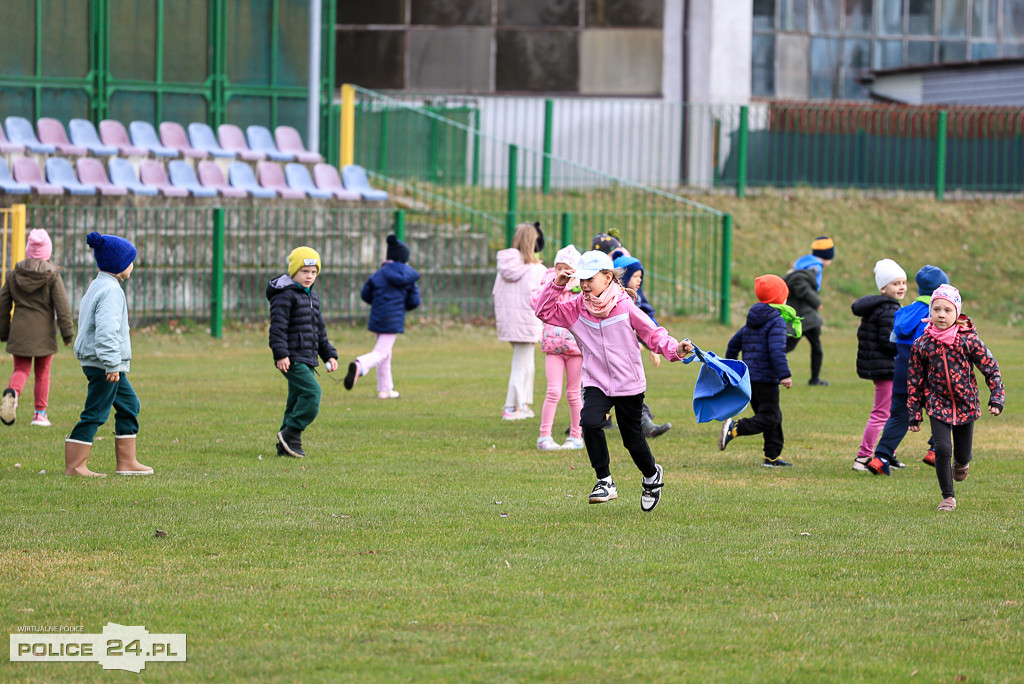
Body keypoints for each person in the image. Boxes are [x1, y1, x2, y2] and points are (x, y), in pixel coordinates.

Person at [534, 250, 694, 512]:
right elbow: (543, 311)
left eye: (590, 279)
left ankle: (652, 475)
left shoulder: (624, 306)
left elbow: (653, 334)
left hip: (628, 383)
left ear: (608, 277)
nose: (584, 285)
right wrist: (556, 285)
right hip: (596, 381)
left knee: (632, 440)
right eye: (581, 279)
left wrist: (676, 349)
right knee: (590, 422)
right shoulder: (575, 308)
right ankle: (604, 481)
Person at [907, 284, 1004, 511]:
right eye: (937, 309)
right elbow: (914, 380)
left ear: (957, 313)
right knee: (942, 448)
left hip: (965, 404)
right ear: (930, 312)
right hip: (936, 403)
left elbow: (991, 368)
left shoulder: (968, 340)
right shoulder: (922, 344)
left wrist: (997, 397)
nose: (941, 314)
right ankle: (948, 497)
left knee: (962, 454)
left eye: (947, 310)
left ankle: (961, 464)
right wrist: (913, 413)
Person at [64, 232, 152, 477]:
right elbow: (106, 331)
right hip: (105, 365)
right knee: (96, 410)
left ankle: (127, 462)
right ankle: (75, 466)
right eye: (130, 260)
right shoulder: (111, 292)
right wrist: (112, 364)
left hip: (107, 364)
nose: (133, 265)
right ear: (119, 264)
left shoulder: (99, 284)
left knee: (129, 404)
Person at [869, 265, 948, 473]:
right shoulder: (939, 315)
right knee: (946, 410)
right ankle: (935, 450)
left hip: (903, 375)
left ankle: (881, 458)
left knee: (898, 417)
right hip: (930, 376)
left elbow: (893, 341)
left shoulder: (903, 312)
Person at [267, 246, 339, 458]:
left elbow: (319, 331)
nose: (309, 276)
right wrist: (281, 354)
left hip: (307, 357)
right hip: (291, 358)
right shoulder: (284, 296)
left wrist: (329, 354)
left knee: (294, 401)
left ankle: (284, 445)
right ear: (294, 271)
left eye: (313, 272)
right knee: (312, 393)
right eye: (305, 271)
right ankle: (292, 433)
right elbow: (277, 329)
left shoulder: (312, 297)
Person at [0, 229, 74, 428]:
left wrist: (3, 332)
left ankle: (12, 394)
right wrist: (67, 333)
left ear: (28, 250)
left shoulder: (14, 275)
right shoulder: (52, 276)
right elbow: (62, 306)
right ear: (47, 252)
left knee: (21, 369)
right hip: (44, 335)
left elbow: (3, 305)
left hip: (20, 332)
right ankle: (40, 414)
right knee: (42, 373)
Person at [718, 274, 794, 466]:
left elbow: (733, 344)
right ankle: (735, 428)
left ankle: (771, 457)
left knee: (772, 416)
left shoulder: (752, 321)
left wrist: (732, 367)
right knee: (770, 417)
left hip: (751, 379)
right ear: (779, 298)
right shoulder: (776, 321)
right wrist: (784, 374)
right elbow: (776, 351)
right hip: (767, 379)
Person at [344, 234, 420, 399]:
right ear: (404, 259)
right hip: (393, 319)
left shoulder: (379, 274)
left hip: (378, 318)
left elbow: (365, 294)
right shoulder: (409, 276)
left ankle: (385, 390)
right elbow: (415, 301)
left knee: (386, 353)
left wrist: (379, 303)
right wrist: (402, 305)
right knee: (381, 352)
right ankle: (360, 365)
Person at [850, 259, 906, 473]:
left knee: (893, 412)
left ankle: (887, 453)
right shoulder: (888, 310)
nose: (901, 287)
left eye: (903, 282)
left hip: (883, 368)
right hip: (886, 369)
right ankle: (863, 458)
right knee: (881, 413)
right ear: (884, 288)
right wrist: (905, 350)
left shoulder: (881, 307)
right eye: (895, 283)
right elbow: (888, 341)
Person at [530, 244, 584, 450]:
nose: (563, 272)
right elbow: (535, 302)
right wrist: (553, 285)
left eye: (567, 268)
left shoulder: (581, 288)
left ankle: (576, 436)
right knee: (552, 392)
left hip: (576, 350)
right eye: (559, 267)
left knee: (574, 394)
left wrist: (574, 285)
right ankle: (544, 436)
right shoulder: (548, 283)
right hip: (553, 347)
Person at [612, 251, 672, 438]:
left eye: (641, 277)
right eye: (635, 276)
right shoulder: (617, 301)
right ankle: (581, 426)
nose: (639, 281)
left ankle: (644, 423)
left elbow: (647, 324)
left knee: (631, 390)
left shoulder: (637, 299)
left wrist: (654, 348)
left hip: (627, 357)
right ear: (624, 276)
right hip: (610, 356)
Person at [493, 222, 546, 420]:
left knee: (526, 362)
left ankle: (522, 403)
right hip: (527, 321)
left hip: (510, 321)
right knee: (521, 365)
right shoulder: (536, 269)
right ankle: (511, 406)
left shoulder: (504, 266)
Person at [784, 236, 834, 386]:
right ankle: (814, 379)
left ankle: (765, 365)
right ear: (827, 256)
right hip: (805, 314)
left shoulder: (802, 263)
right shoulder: (815, 267)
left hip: (800, 312)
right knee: (814, 346)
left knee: (790, 345)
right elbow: (800, 284)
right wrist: (816, 301)